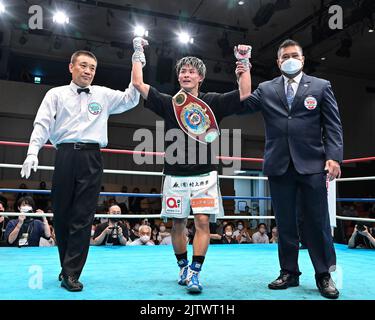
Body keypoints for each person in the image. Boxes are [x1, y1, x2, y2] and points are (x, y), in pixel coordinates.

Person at [132, 37, 251, 293]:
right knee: (176, 225)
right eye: (182, 71)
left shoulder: (212, 101)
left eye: (191, 71)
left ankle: (196, 273)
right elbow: (138, 83)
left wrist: (244, 63)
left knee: (202, 223)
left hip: (205, 175)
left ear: (200, 78)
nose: (186, 74)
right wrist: (138, 53)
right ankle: (183, 266)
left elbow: (244, 93)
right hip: (174, 174)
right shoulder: (169, 102)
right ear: (179, 77)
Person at [20, 48, 141, 291]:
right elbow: (42, 123)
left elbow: (131, 98)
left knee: (83, 217)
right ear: (71, 67)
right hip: (64, 155)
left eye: (92, 68)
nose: (88, 71)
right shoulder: (55, 94)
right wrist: (32, 151)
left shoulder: (103, 94)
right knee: (62, 216)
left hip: (91, 157)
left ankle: (72, 273)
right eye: (83, 66)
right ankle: (67, 266)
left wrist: (137, 59)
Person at [240, 39, 343, 299]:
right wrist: (243, 68)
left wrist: (334, 157)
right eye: (285, 55)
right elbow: (243, 103)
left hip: (312, 164)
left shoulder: (321, 86)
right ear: (278, 61)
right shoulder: (266, 88)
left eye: (294, 54)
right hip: (279, 164)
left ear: (303, 58)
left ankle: (324, 275)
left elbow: (332, 125)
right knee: (285, 222)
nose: (290, 58)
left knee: (318, 222)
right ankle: (289, 272)